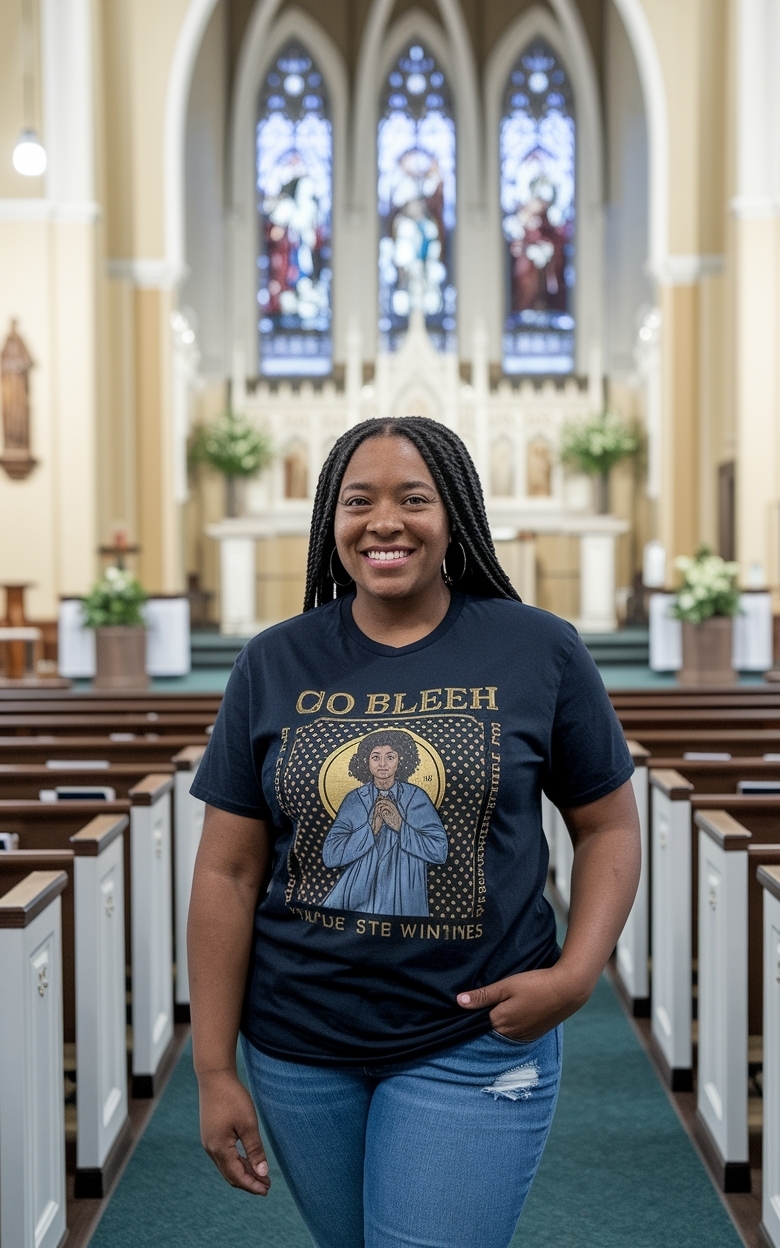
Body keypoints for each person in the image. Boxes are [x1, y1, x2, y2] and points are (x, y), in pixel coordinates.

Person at [188, 415, 641, 1248]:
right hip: (299, 1042)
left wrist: (578, 974)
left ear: (455, 515)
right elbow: (228, 874)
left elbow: (607, 824)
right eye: (359, 500)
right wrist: (214, 1067)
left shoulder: (537, 648)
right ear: (332, 519)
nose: (384, 521)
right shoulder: (274, 660)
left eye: (413, 499)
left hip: (472, 1031)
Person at [321, 730, 448, 916]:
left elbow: (439, 851)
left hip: (403, 895)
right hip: (356, 896)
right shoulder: (355, 799)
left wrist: (400, 825)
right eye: (375, 757)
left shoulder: (416, 797)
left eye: (390, 757)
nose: (382, 764)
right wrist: (370, 830)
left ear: (400, 761)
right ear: (366, 761)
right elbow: (330, 856)